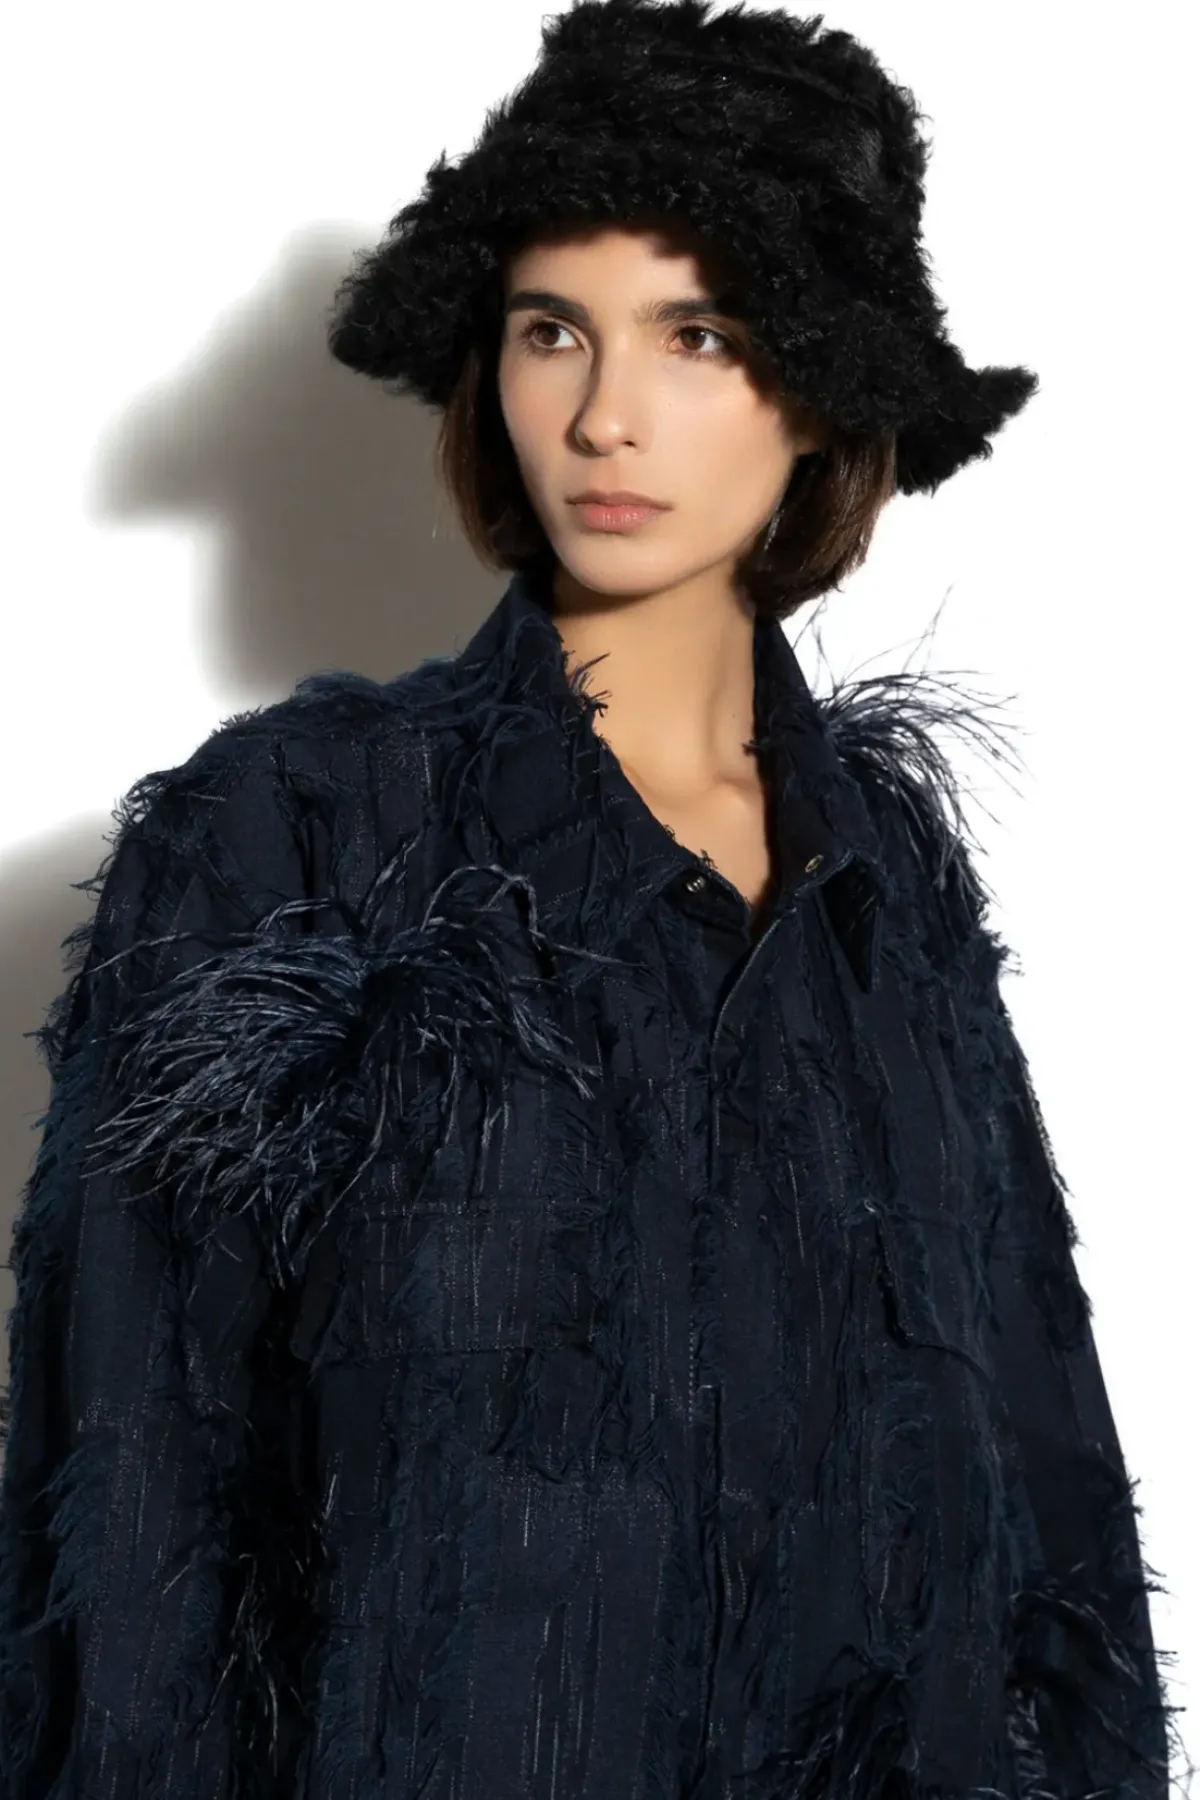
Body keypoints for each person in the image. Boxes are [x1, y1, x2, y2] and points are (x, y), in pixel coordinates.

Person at [0, 2, 1185, 1796]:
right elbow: (128, 1524)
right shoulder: (289, 845)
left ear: (819, 392)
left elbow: (1050, 1506)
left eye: (696, 335)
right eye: (553, 330)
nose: (604, 416)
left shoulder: (892, 894)